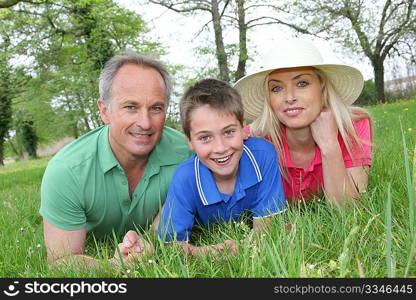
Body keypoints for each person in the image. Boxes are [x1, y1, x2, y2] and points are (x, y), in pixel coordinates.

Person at [40, 51, 193, 266]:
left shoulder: (186, 153)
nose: (145, 123)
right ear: (105, 111)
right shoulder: (66, 171)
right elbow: (60, 261)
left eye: (155, 108)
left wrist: (151, 242)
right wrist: (111, 266)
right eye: (131, 107)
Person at [234, 39, 372, 205]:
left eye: (302, 83)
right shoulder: (255, 138)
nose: (290, 97)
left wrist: (329, 145)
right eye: (276, 88)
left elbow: (349, 211)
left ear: (322, 87)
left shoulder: (353, 126)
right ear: (268, 98)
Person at [158, 79, 286, 257]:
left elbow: (266, 233)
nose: (220, 148)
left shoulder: (263, 156)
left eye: (228, 132)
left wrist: (249, 245)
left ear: (243, 128)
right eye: (205, 138)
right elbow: (171, 246)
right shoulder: (185, 177)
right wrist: (205, 252)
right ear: (189, 141)